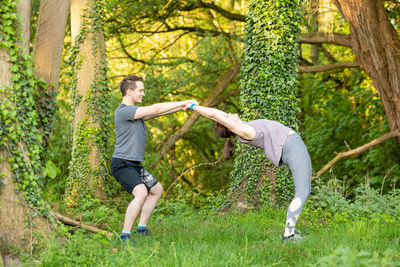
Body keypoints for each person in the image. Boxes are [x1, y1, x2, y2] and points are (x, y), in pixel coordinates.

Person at [184, 103, 311, 242]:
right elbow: (215, 116)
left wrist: (196, 103)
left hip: (293, 146)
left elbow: (216, 112)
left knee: (303, 190)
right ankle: (289, 235)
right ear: (228, 125)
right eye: (227, 117)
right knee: (303, 191)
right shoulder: (244, 131)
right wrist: (192, 107)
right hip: (292, 148)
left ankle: (290, 229)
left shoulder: (243, 125)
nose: (228, 114)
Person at [111, 75, 197, 241]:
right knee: (141, 193)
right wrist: (182, 101)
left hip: (133, 164)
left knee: (156, 190)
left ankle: (141, 229)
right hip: (122, 164)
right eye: (140, 90)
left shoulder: (136, 113)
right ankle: (125, 235)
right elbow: (156, 109)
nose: (143, 93)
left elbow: (158, 113)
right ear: (129, 92)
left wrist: (182, 108)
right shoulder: (124, 111)